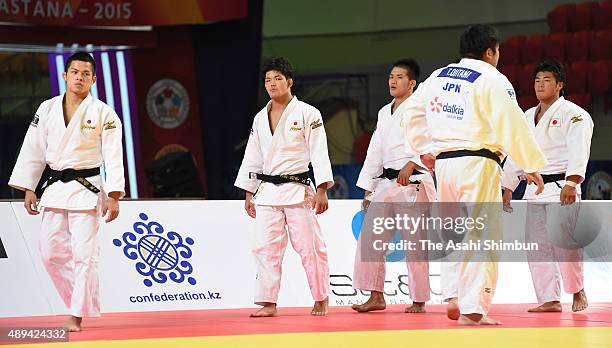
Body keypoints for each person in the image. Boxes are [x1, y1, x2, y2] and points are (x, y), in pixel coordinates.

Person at [402, 24, 547, 325]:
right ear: (490, 51)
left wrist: (423, 149)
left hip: (444, 165)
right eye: (497, 52)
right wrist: (530, 163)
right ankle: (473, 309)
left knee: (453, 233)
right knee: (481, 235)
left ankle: (454, 295)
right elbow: (513, 124)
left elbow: (410, 113)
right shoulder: (493, 78)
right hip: (478, 164)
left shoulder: (438, 76)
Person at [8, 52, 125, 331]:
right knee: (50, 254)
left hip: (87, 190)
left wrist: (114, 195)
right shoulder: (47, 109)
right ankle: (80, 300)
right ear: (65, 75)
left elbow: (113, 155)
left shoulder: (103, 113)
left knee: (85, 255)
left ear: (94, 79)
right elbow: (33, 149)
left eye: (86, 74)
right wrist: (29, 188)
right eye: (75, 72)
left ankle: (76, 314)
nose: (79, 78)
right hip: (56, 189)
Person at [234, 57, 334, 317]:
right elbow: (252, 156)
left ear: (289, 82)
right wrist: (249, 192)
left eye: (278, 79)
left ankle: (321, 297)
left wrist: (322, 189)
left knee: (310, 249)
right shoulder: (259, 118)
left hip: (298, 190)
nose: (272, 84)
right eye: (268, 80)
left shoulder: (308, 113)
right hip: (267, 193)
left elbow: (319, 152)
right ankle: (268, 303)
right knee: (264, 249)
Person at [502, 60, 593, 313]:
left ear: (560, 85)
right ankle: (549, 298)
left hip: (562, 185)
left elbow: (579, 149)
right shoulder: (527, 115)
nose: (540, 85)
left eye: (547, 80)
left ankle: (577, 290)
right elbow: (518, 152)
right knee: (537, 246)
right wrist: (508, 185)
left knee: (566, 243)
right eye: (537, 80)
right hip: (534, 188)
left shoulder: (574, 114)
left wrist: (573, 181)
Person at [352, 59, 436, 314]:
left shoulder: (420, 108)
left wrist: (412, 164)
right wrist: (369, 185)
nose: (392, 80)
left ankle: (419, 299)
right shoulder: (383, 112)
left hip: (413, 183)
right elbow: (375, 150)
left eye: (399, 77)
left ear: (412, 83)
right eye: (391, 76)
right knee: (370, 238)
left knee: (415, 244)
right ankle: (376, 295)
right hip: (386, 184)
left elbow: (432, 139)